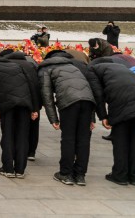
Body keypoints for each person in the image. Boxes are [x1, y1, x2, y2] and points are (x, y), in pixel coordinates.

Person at [87, 59, 135, 186]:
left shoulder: (92, 70)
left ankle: (120, 175)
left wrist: (103, 116)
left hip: (122, 107)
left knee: (120, 142)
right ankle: (134, 177)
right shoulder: (125, 69)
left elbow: (98, 94)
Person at [38, 49, 96, 186]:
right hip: (88, 103)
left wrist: (53, 119)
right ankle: (80, 175)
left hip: (69, 103)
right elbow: (86, 90)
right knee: (83, 139)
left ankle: (66, 174)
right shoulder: (74, 67)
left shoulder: (46, 69)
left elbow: (47, 96)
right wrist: (91, 118)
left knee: (68, 138)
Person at [0, 48, 41, 178]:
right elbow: (31, 85)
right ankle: (20, 170)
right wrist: (35, 108)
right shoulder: (18, 66)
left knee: (8, 134)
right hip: (25, 104)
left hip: (7, 104)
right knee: (22, 135)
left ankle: (8, 168)